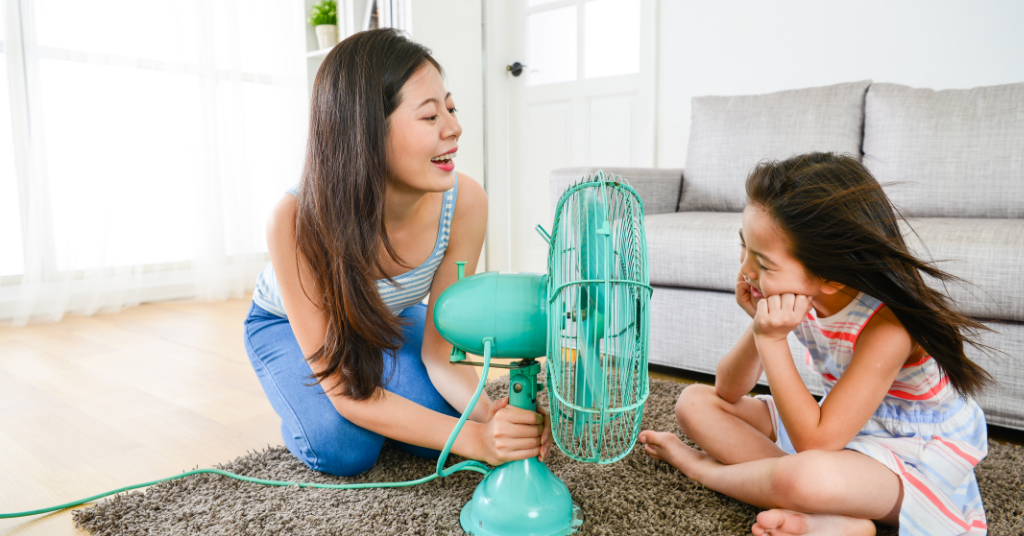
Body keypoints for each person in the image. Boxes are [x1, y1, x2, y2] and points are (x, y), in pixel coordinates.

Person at [243, 29, 551, 478]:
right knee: (343, 446)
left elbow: (442, 355)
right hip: (285, 326)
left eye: (451, 107)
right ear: (365, 132)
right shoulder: (294, 219)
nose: (454, 127)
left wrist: (491, 419)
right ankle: (306, 406)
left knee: (440, 427)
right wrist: (477, 442)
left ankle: (383, 390)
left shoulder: (466, 202)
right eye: (430, 117)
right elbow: (347, 391)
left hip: (389, 319)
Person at [639, 152, 992, 536]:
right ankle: (829, 511)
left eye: (764, 263)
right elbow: (727, 389)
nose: (745, 270)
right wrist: (760, 328)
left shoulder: (890, 327)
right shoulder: (803, 292)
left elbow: (815, 441)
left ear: (829, 276)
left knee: (803, 476)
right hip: (841, 429)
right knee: (694, 402)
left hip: (910, 453)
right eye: (745, 248)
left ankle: (708, 471)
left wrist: (773, 341)